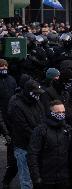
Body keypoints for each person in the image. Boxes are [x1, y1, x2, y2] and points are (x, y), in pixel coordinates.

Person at [28, 100, 72, 189]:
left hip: (64, 179)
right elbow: (32, 155)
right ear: (50, 113)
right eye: (58, 112)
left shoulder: (68, 130)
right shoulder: (40, 130)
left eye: (63, 112)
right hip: (46, 179)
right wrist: (36, 177)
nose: (61, 114)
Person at [9, 80, 45, 189]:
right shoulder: (17, 105)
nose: (38, 95)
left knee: (38, 176)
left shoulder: (37, 102)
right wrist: (40, 138)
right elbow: (23, 128)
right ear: (29, 91)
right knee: (26, 179)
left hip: (37, 146)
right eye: (36, 93)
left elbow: (43, 118)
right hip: (23, 146)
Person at [0, 59, 17, 189]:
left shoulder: (11, 79)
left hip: (8, 114)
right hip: (2, 113)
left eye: (5, 65)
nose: (4, 68)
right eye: (1, 66)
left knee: (10, 140)